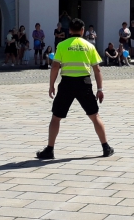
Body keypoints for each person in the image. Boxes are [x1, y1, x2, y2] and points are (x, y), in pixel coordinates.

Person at [36, 18, 114, 159]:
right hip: (84, 83)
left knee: (56, 117)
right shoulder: (89, 46)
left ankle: (50, 149)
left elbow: (54, 66)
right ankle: (106, 147)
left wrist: (51, 85)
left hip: (67, 83)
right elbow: (97, 69)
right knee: (95, 116)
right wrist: (100, 89)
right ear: (83, 30)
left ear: (70, 30)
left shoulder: (62, 45)